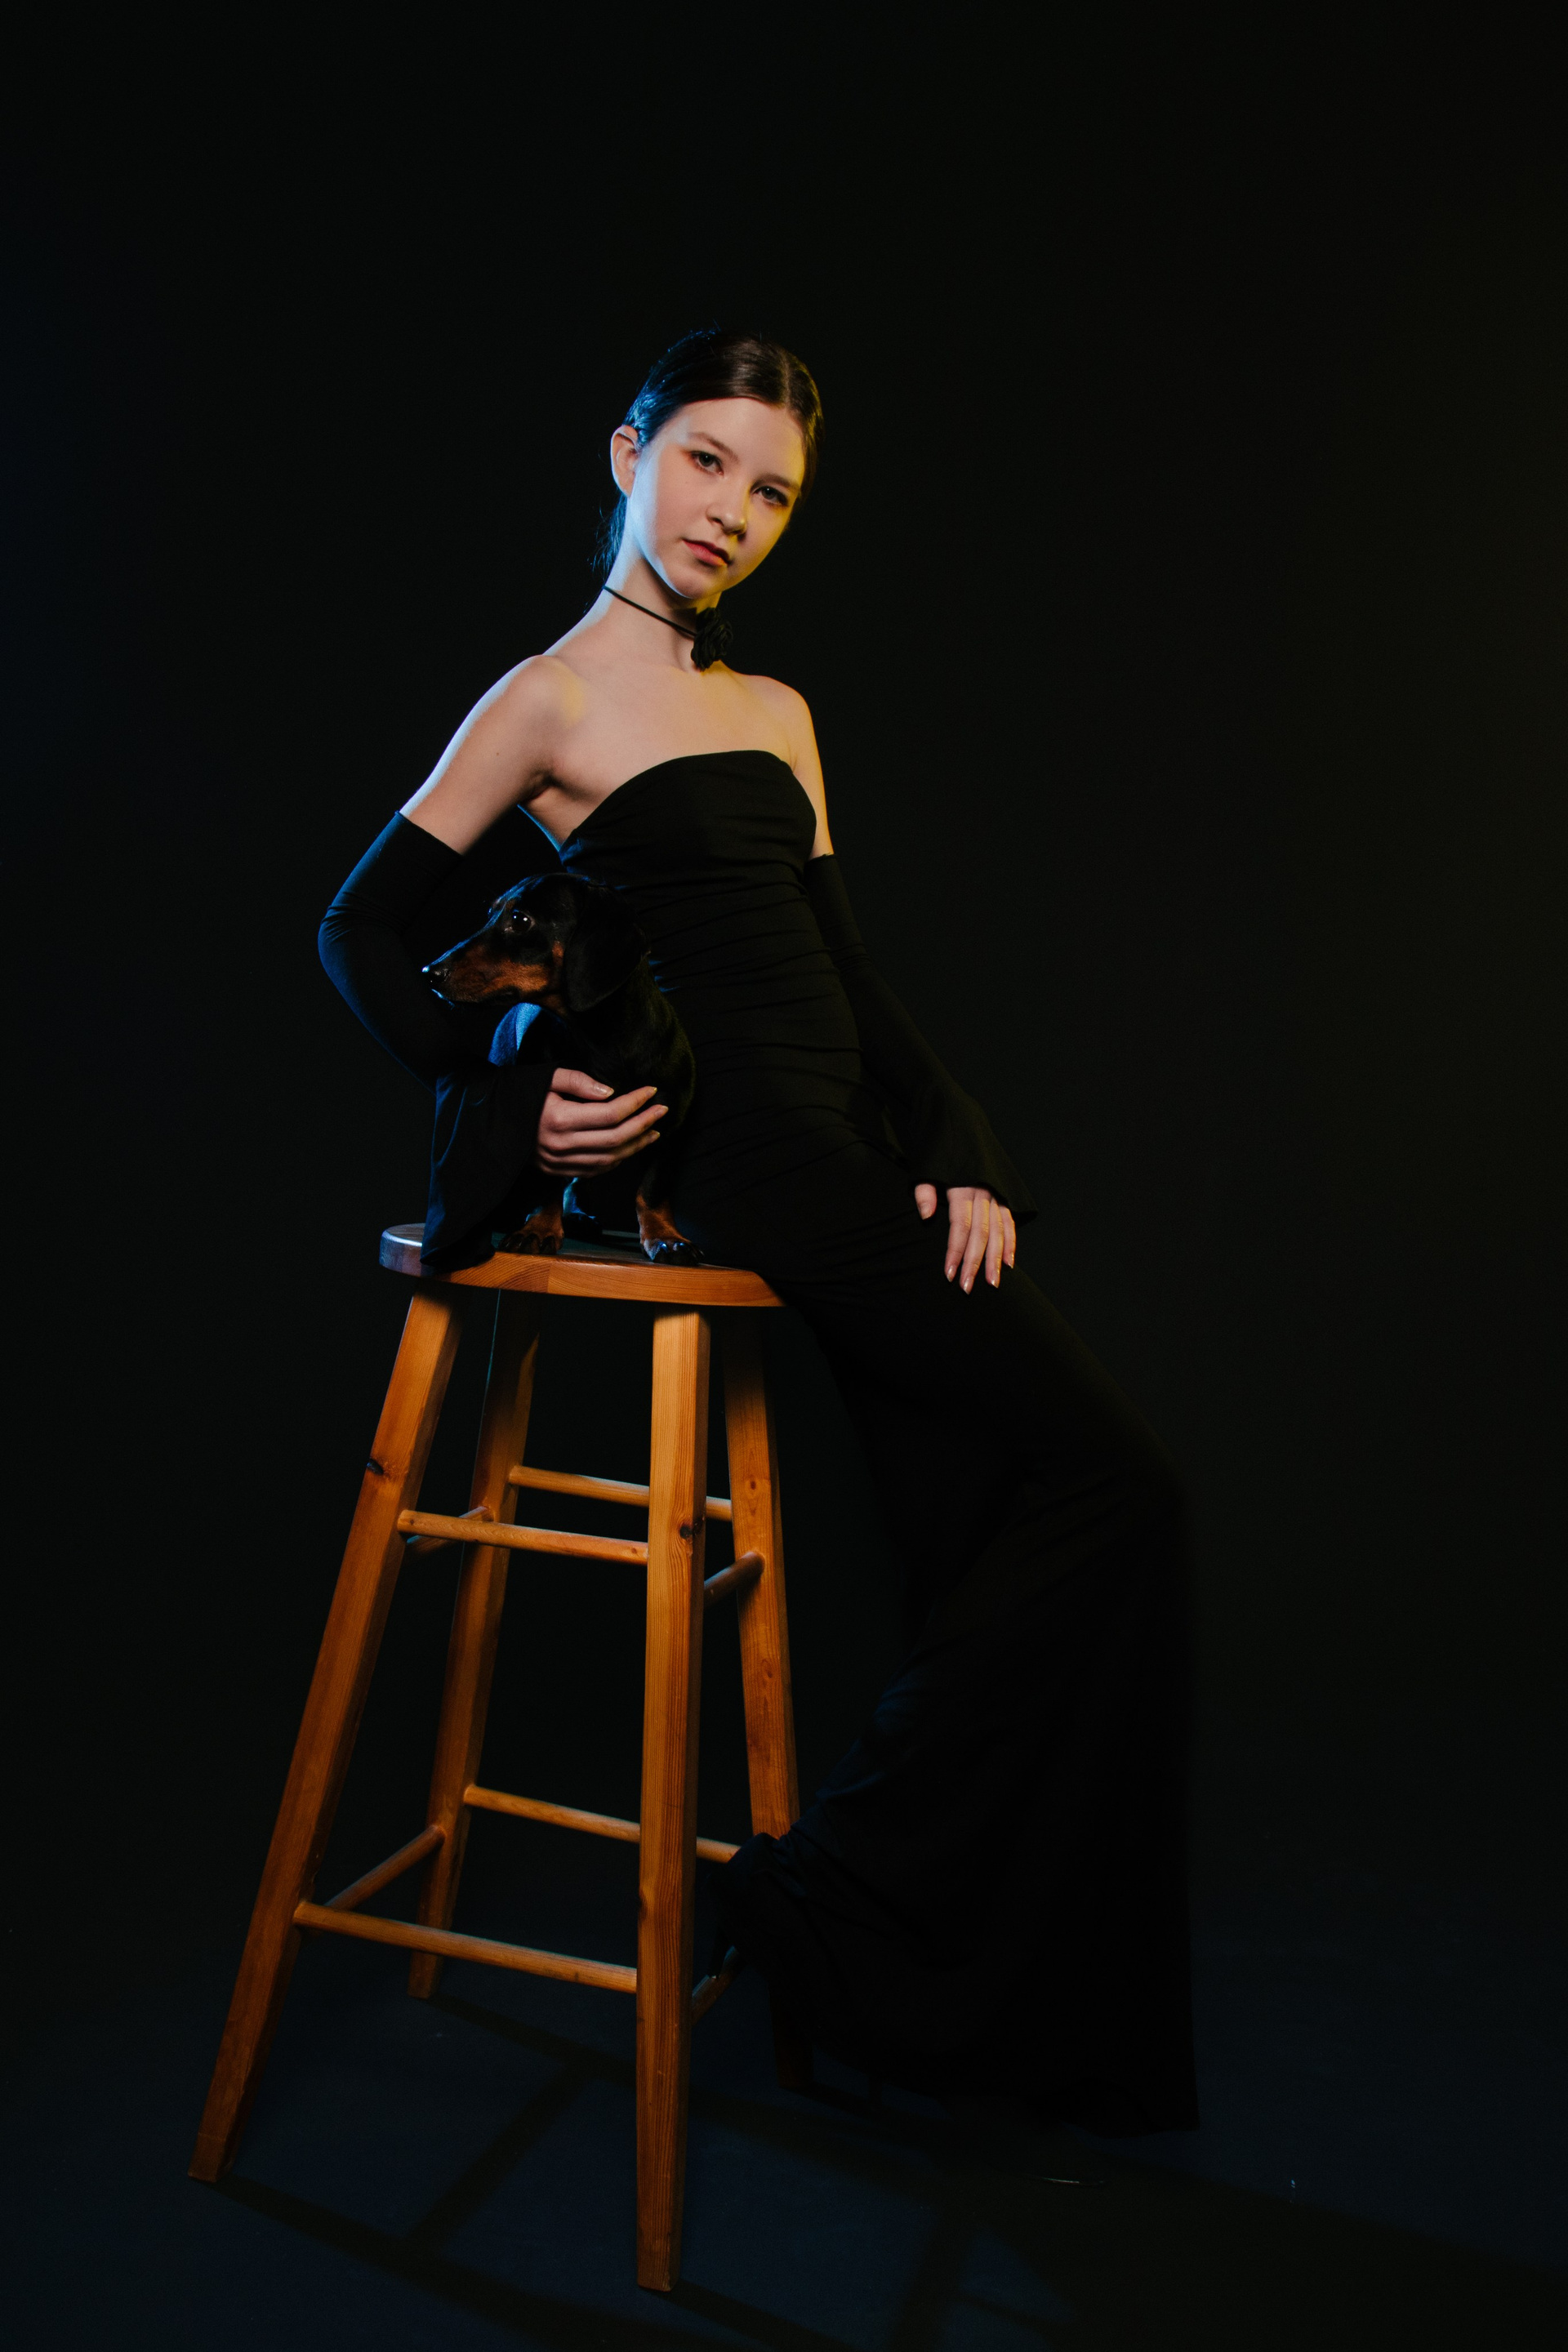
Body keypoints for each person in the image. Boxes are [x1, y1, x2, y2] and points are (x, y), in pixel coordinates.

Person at [320, 329, 1197, 2132]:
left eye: (774, 490)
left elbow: (846, 979)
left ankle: (935, 1995)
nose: (734, 511)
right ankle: (825, 1898)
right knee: (1118, 1488)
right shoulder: (548, 700)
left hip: (851, 1153)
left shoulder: (780, 711)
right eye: (708, 461)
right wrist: (510, 1083)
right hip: (752, 1163)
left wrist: (958, 1146)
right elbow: (357, 931)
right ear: (628, 453)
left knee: (993, 1512)